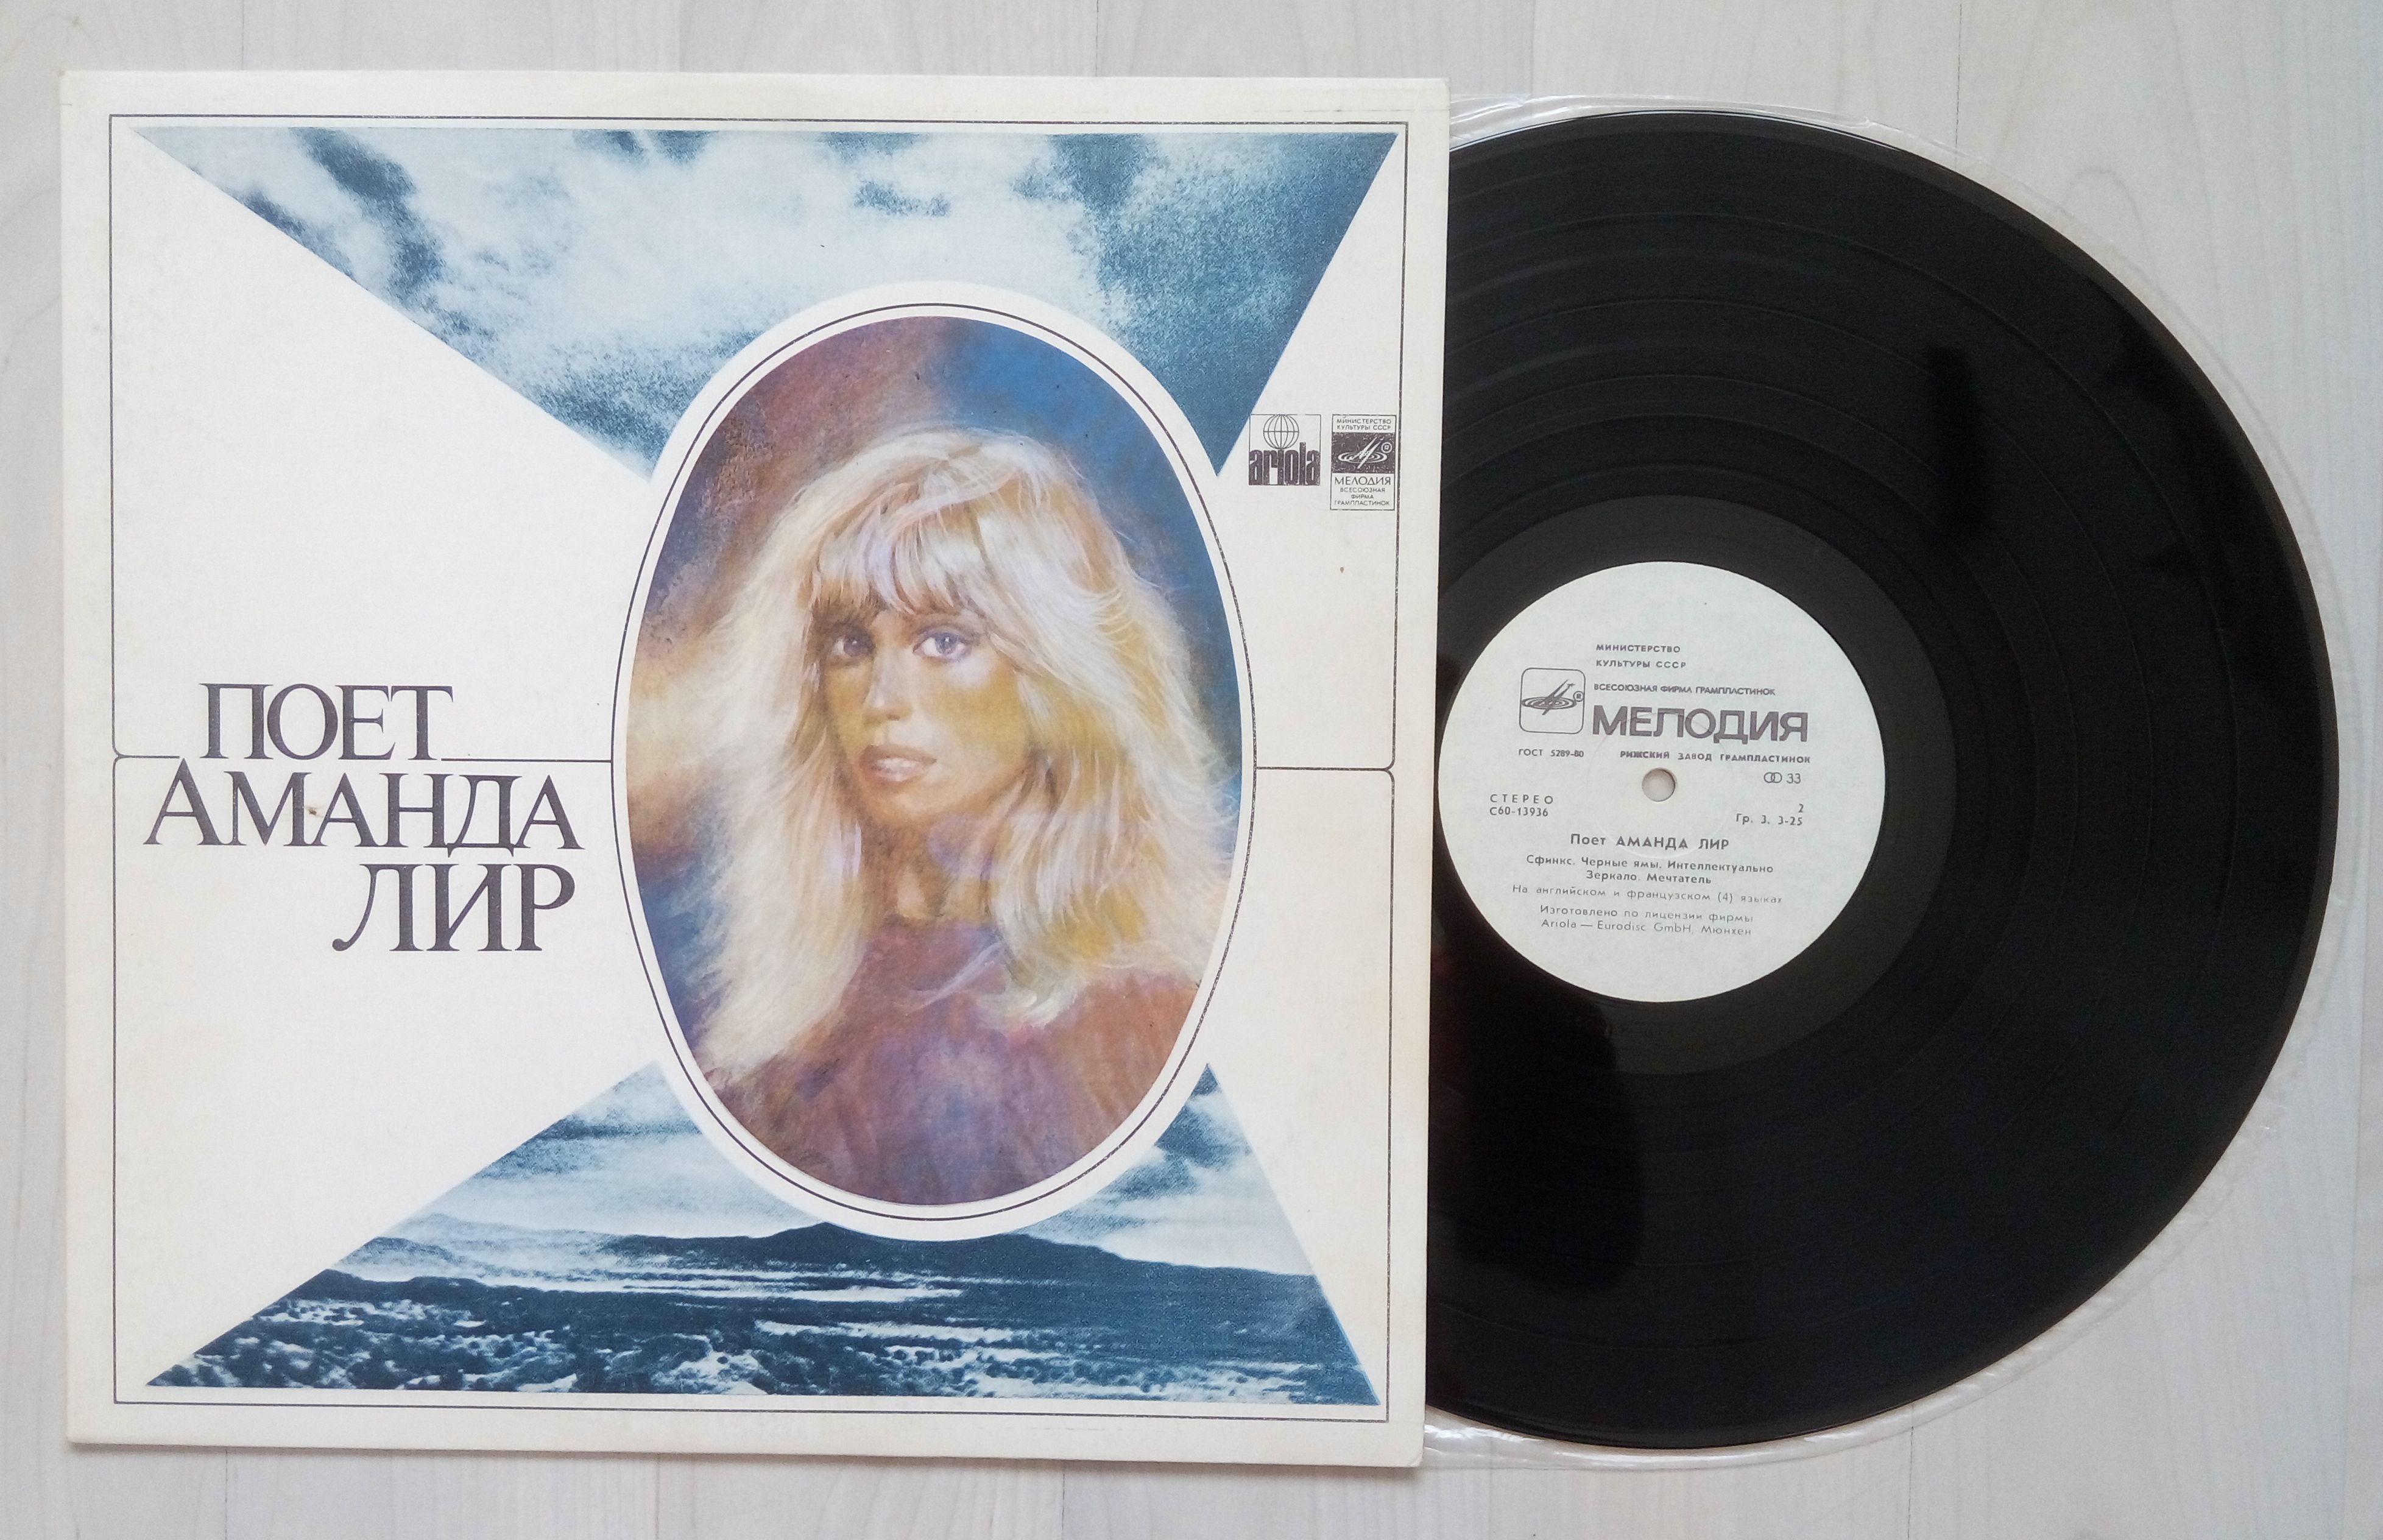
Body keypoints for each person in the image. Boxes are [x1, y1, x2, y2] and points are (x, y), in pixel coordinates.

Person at [696, 428, 1231, 1205]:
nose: (882, 698)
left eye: (943, 641)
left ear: (1057, 675)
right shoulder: (783, 1033)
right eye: (850, 643)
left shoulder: (1150, 1014)